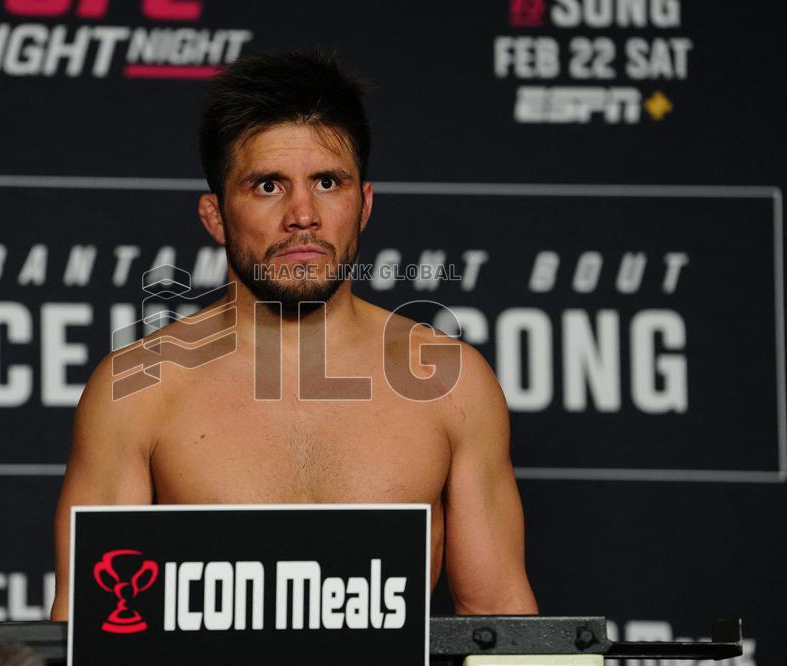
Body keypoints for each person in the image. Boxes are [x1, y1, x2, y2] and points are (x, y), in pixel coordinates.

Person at [50, 48, 537, 621]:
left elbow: (502, 621)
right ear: (214, 214)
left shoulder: (450, 382)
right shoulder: (140, 389)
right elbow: (87, 630)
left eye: (328, 182)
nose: (302, 214)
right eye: (267, 186)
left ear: (364, 204)